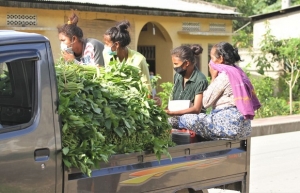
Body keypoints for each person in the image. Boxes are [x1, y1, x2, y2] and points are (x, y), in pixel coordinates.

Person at [178, 42, 261, 140]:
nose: (210, 63)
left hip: (228, 126)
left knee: (185, 119)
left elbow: (206, 102)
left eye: (212, 58)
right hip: (244, 128)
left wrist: (213, 77)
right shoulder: (239, 73)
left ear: (220, 59)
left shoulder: (225, 76)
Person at [102, 20, 152, 92]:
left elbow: (147, 87)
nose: (105, 47)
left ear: (117, 45)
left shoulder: (139, 60)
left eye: (107, 44)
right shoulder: (106, 54)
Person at [166, 44, 208, 128]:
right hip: (177, 119)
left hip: (193, 122)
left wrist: (173, 113)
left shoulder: (200, 80)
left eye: (176, 64)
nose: (174, 67)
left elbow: (196, 109)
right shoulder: (178, 76)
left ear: (187, 63)